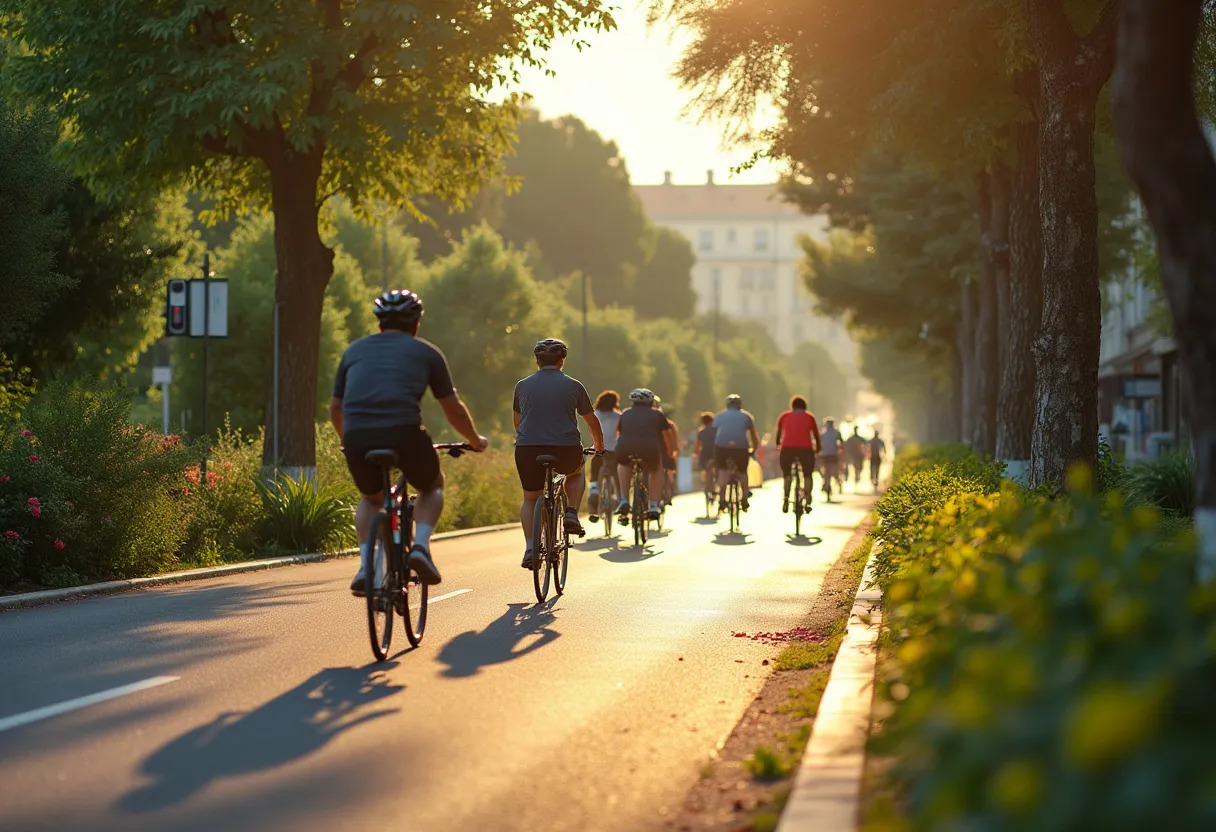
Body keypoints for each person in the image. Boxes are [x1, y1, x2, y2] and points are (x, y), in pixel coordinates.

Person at [331, 289, 487, 595]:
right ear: (416, 323)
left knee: (371, 499)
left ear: (379, 324)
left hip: (358, 436)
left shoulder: (353, 351)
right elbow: (453, 409)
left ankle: (365, 567)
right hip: (404, 431)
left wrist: (348, 441)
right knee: (431, 486)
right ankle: (419, 547)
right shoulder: (427, 352)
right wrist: (475, 441)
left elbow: (336, 408)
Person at [513, 338, 605, 569]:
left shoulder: (522, 385)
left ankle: (531, 548)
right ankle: (572, 513)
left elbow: (518, 422)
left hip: (527, 448)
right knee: (575, 473)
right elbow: (591, 421)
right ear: (562, 360)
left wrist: (530, 438)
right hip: (565, 448)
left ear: (537, 361)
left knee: (531, 498)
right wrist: (599, 446)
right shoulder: (574, 385)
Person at [614, 388, 673, 521]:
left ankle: (624, 500)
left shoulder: (625, 413)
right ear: (651, 401)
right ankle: (653, 505)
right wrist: (669, 452)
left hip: (625, 447)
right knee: (656, 469)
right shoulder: (657, 414)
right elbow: (667, 435)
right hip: (649, 449)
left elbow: (619, 431)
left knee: (623, 464)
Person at [774, 396, 822, 513]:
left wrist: (778, 444)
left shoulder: (784, 416)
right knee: (807, 474)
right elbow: (816, 435)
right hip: (805, 449)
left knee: (787, 475)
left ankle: (786, 498)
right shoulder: (810, 417)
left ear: (792, 406)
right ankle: (808, 498)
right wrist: (818, 448)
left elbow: (779, 433)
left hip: (787, 448)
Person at [714, 393, 760, 512]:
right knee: (743, 471)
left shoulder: (720, 416)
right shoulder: (746, 416)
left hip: (722, 446)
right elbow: (753, 435)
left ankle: (722, 499)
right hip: (740, 447)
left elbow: (714, 432)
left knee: (723, 471)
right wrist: (753, 449)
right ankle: (744, 498)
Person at [587, 390, 621, 520]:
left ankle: (594, 489)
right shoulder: (618, 416)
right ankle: (620, 498)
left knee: (595, 474)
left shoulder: (595, 414)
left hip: (598, 449)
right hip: (613, 451)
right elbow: (620, 433)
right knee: (617, 474)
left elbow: (591, 430)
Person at [818, 418, 844, 501]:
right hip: (833, 455)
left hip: (824, 456)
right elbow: (841, 443)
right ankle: (837, 482)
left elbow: (819, 444)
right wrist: (840, 451)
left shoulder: (822, 433)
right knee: (834, 471)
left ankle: (825, 482)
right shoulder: (837, 432)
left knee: (824, 471)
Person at [693, 412, 717, 496]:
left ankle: (706, 484)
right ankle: (715, 484)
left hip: (705, 454)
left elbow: (697, 447)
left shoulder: (701, 432)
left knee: (706, 469)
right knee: (716, 468)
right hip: (715, 453)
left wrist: (696, 454)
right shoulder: (716, 430)